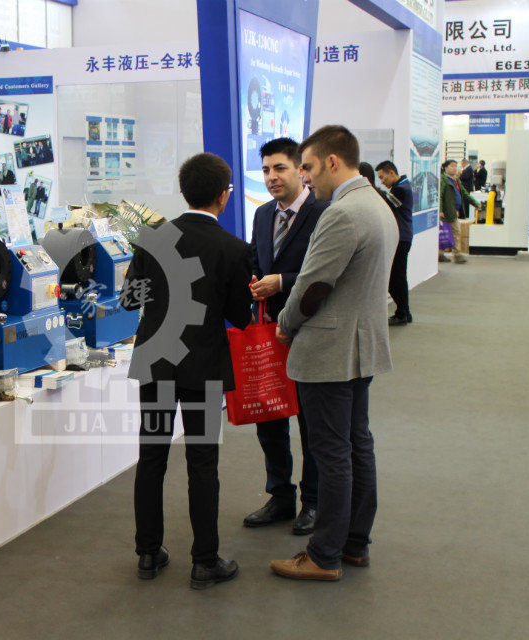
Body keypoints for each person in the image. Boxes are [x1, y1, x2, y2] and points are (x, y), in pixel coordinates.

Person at [269, 125, 397, 582]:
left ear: (333, 162)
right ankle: (354, 544)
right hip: (360, 346)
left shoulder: (341, 213)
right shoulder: (376, 204)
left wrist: (285, 326)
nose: (304, 176)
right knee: (357, 445)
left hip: (330, 351)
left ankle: (324, 555)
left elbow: (313, 285)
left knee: (332, 453)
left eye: (307, 167)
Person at [122, 152, 253, 590]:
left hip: (157, 361)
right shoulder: (234, 249)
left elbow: (130, 299)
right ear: (223, 196)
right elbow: (241, 316)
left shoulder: (152, 239)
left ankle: (147, 553)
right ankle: (205, 560)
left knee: (151, 456)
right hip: (204, 365)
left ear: (184, 192)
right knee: (202, 462)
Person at [244, 138, 328, 535]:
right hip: (268, 335)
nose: (271, 177)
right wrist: (253, 280)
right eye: (266, 170)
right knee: (270, 419)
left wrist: (283, 282)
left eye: (279, 168)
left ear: (300, 170)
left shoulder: (323, 213)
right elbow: (256, 259)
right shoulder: (263, 215)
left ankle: (313, 501)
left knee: (312, 424)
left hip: (310, 331)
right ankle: (280, 496)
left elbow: (327, 274)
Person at [376, 161, 415, 326]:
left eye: (382, 177)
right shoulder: (402, 186)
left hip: (401, 238)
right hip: (402, 237)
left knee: (396, 278)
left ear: (391, 172)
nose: (382, 182)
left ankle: (402, 313)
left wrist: (371, 189)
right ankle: (404, 312)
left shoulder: (401, 189)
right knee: (397, 277)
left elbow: (387, 202)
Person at [439, 160, 478, 264]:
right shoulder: (444, 180)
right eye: (452, 166)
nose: (455, 168)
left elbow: (464, 193)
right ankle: (457, 255)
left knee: (447, 233)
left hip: (454, 211)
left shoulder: (456, 180)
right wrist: (441, 210)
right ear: (445, 168)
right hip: (447, 212)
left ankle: (441, 254)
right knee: (454, 232)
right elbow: (440, 196)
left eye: (456, 166)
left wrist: (476, 204)